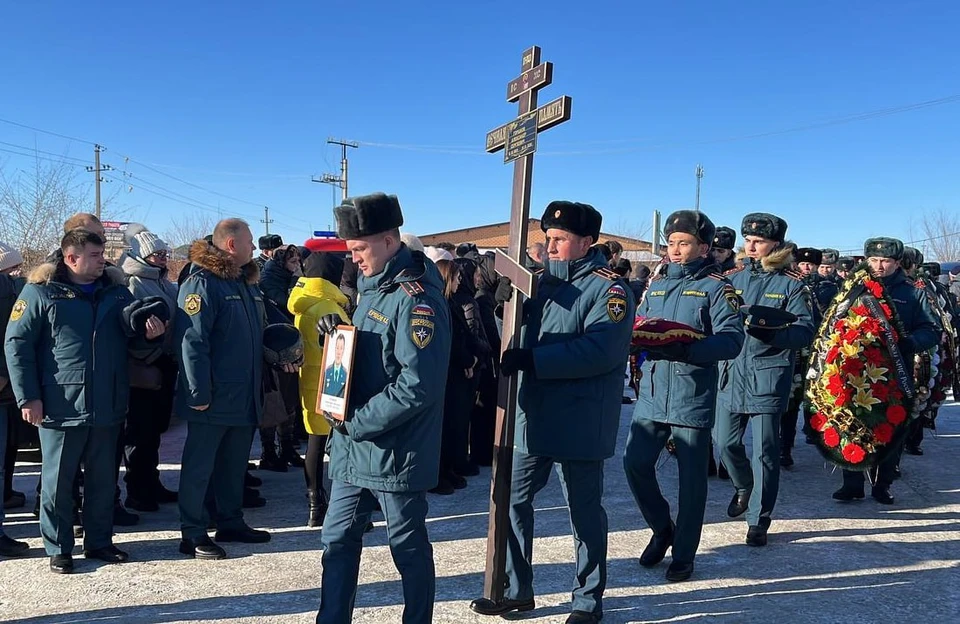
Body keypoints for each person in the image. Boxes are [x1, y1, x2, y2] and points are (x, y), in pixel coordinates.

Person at [470, 201, 634, 624]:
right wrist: (502, 303)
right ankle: (515, 589)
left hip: (580, 419)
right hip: (534, 416)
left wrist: (535, 360)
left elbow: (600, 350)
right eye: (549, 237)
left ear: (587, 242)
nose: (551, 245)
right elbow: (516, 331)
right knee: (510, 500)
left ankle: (587, 599)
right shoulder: (536, 283)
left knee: (583, 512)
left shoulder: (609, 290)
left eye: (561, 238)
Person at [314, 193, 451, 624]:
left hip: (395, 449)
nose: (352, 259)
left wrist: (356, 421)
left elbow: (417, 385)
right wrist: (337, 339)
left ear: (390, 239)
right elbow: (374, 356)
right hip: (355, 448)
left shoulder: (416, 300)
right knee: (336, 542)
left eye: (359, 248)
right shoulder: (375, 291)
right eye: (350, 250)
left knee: (406, 548)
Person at [5, 229, 167, 573]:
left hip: (108, 402)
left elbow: (134, 346)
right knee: (58, 482)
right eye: (94, 255)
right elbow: (16, 346)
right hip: (60, 405)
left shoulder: (117, 292)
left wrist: (150, 336)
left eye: (102, 254)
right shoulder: (40, 292)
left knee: (103, 479)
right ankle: (59, 547)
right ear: (71, 257)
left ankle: (99, 541)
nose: (102, 261)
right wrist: (29, 396)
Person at [623, 210, 743, 582]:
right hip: (654, 392)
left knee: (691, 480)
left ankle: (685, 552)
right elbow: (641, 325)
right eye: (671, 243)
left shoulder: (717, 288)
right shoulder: (655, 286)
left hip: (691, 393)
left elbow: (731, 340)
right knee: (635, 464)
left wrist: (689, 350)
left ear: (703, 247)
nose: (675, 250)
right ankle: (662, 528)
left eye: (684, 243)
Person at [175, 219, 273, 561]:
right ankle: (192, 531)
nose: (255, 249)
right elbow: (192, 343)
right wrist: (197, 393)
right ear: (231, 245)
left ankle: (230, 521)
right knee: (200, 466)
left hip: (243, 395)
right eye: (249, 242)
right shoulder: (202, 284)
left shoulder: (244, 283)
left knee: (234, 465)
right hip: (213, 398)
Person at [716, 214, 815, 547]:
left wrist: (772, 332)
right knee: (724, 443)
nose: (751, 245)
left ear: (776, 244)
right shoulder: (730, 278)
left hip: (767, 376)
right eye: (747, 239)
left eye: (758, 241)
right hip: (731, 373)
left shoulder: (791, 283)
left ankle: (758, 519)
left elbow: (804, 331)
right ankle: (744, 486)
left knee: (765, 453)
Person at [833, 238, 939, 504]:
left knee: (892, 425)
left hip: (896, 369)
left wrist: (910, 342)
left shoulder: (913, 292)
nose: (879, 266)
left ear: (897, 263)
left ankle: (883, 484)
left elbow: (932, 330)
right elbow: (835, 322)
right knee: (853, 423)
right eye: (874, 260)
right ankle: (852, 482)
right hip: (857, 367)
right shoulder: (854, 288)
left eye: (886, 261)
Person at [119, 226, 180, 512]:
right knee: (139, 432)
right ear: (142, 256)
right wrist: (148, 337)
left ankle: (152, 483)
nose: (163, 258)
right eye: (157, 254)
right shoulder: (131, 283)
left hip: (164, 363)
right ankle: (136, 490)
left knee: (155, 430)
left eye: (164, 253)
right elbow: (128, 327)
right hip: (141, 367)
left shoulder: (165, 283)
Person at [288, 250, 350, 527]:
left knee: (314, 443)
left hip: (309, 380)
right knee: (338, 449)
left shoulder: (304, 302)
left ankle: (315, 504)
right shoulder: (329, 307)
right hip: (333, 384)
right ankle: (340, 507)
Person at [432, 259, 490, 494]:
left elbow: (465, 335)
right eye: (455, 277)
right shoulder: (442, 304)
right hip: (449, 373)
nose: (460, 281)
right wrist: (468, 360)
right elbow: (453, 339)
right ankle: (440, 472)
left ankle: (448, 469)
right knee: (447, 426)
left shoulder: (451, 303)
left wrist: (473, 358)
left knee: (456, 425)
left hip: (459, 370)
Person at [258, 243, 304, 471]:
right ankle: (268, 450)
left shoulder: (287, 277)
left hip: (289, 345)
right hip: (273, 347)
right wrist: (297, 281)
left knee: (289, 399)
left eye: (298, 261)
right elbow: (287, 304)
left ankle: (287, 446)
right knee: (272, 402)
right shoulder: (269, 279)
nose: (297, 265)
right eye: (293, 261)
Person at [322, 334, 349, 398]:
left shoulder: (346, 374)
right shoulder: (327, 371)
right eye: (337, 348)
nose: (338, 352)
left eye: (341, 348)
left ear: (344, 350)